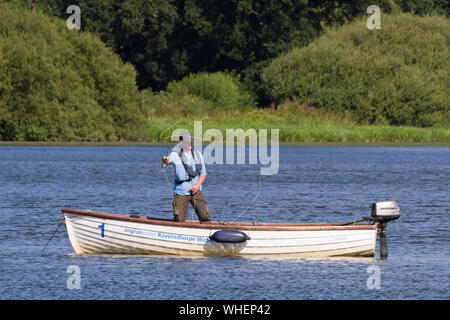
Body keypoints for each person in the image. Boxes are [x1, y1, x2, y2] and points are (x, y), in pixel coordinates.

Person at [162, 131, 211, 224]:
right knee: (179, 219)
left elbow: (203, 173)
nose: (189, 143)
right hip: (180, 191)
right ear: (181, 142)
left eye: (190, 141)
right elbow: (167, 161)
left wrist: (197, 186)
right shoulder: (174, 154)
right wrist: (165, 160)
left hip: (196, 189)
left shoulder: (198, 154)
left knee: (205, 216)